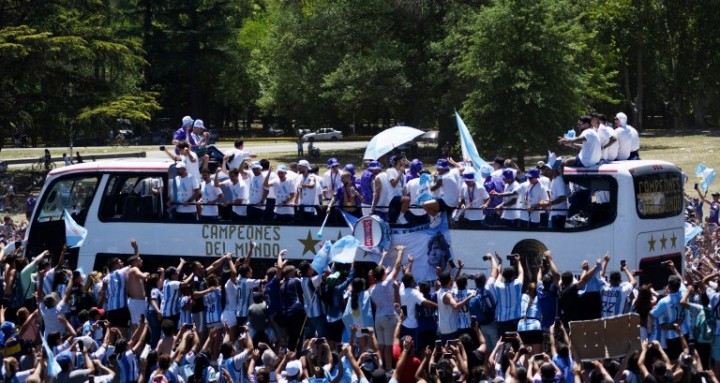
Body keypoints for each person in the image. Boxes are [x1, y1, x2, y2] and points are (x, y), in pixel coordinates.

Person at [423, 158, 461, 229]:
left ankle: (437, 218)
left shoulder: (442, 178)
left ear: (445, 168)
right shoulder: (455, 171)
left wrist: (432, 178)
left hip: (448, 203)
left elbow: (432, 189)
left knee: (425, 205)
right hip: (456, 201)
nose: (438, 169)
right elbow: (462, 168)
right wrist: (454, 162)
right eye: (438, 167)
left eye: (440, 168)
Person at [494, 254, 524, 334]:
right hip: (515, 320)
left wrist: (500, 261)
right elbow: (521, 273)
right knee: (516, 343)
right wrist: (518, 261)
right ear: (513, 276)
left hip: (502, 321)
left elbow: (499, 273)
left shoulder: (498, 286)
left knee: (504, 343)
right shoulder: (517, 284)